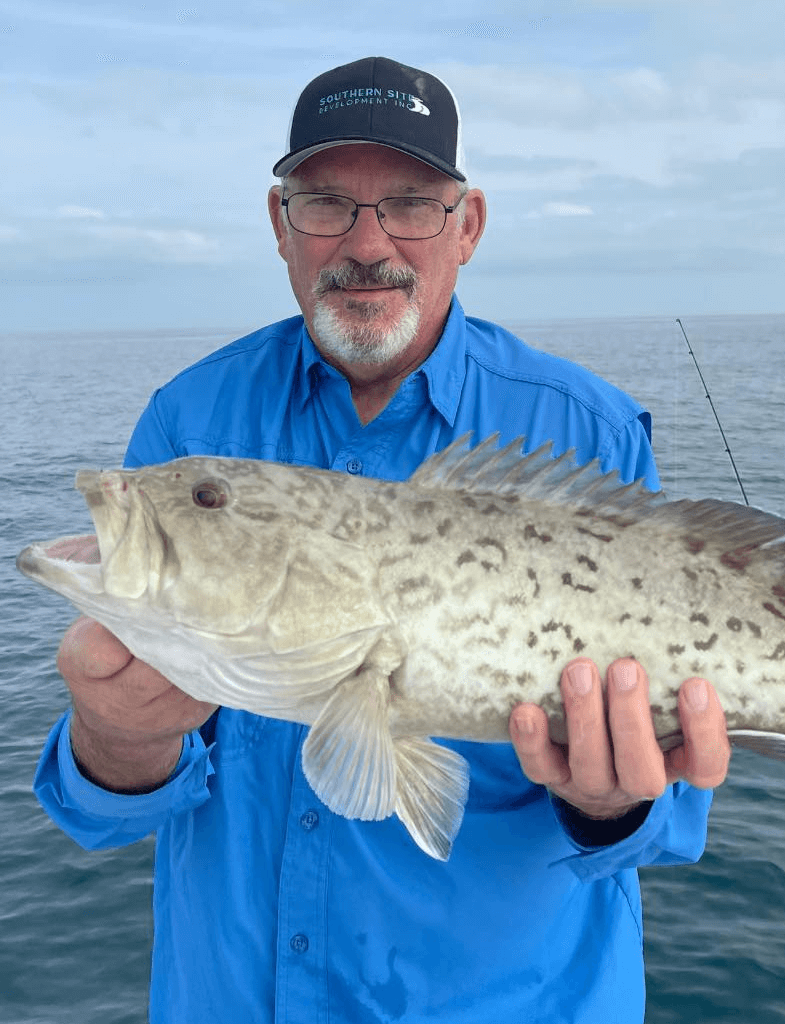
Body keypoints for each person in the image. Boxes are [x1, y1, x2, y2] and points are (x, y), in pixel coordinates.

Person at [34, 56, 731, 1022]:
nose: (368, 243)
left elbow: (667, 820)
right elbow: (108, 810)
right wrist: (117, 737)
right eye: (326, 203)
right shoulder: (188, 420)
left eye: (409, 203)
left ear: (468, 226)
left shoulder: (588, 432)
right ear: (281, 225)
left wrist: (611, 800)